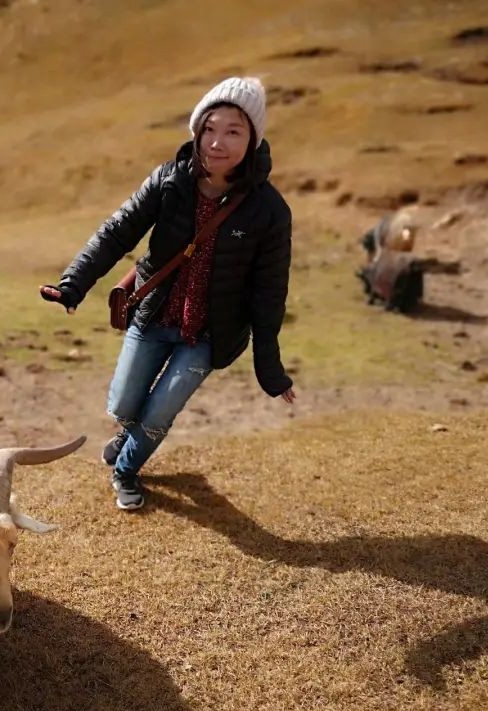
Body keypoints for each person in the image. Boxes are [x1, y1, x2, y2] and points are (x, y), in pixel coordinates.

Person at [39, 76, 296, 511]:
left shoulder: (269, 211)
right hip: (153, 314)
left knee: (160, 412)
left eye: (234, 131)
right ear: (197, 131)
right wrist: (73, 284)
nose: (218, 142)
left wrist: (270, 370)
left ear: (253, 138)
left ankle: (126, 471)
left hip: (209, 333)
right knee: (124, 403)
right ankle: (126, 430)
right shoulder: (168, 180)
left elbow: (270, 293)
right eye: (210, 129)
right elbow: (116, 232)